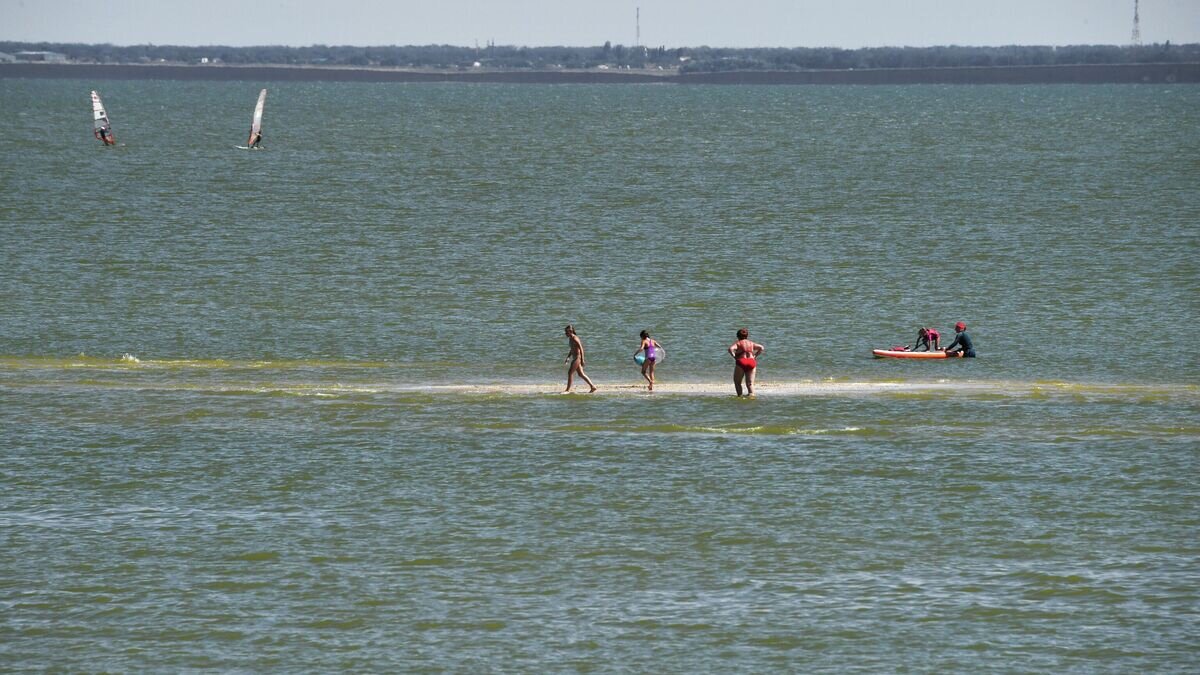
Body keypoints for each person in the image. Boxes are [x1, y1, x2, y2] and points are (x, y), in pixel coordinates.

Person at [728, 328, 765, 397]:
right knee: (750, 383)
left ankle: (740, 396)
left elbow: (730, 349)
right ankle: (751, 397)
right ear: (747, 336)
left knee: (737, 382)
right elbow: (761, 348)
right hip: (751, 362)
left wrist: (734, 357)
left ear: (738, 336)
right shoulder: (751, 343)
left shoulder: (738, 343)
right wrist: (755, 356)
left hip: (742, 361)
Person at [563, 324, 597, 393]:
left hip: (577, 358)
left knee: (570, 373)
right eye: (565, 332)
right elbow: (572, 349)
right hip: (574, 357)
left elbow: (581, 348)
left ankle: (567, 390)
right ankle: (593, 387)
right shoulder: (570, 338)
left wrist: (582, 360)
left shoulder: (575, 338)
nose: (565, 333)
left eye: (566, 332)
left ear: (570, 331)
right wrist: (568, 357)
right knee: (581, 374)